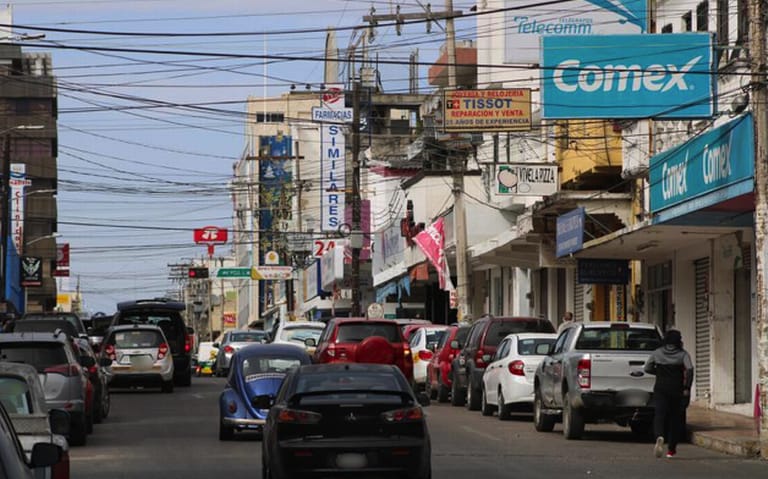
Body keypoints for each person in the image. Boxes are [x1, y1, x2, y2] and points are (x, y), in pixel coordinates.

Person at [643, 329, 694, 458]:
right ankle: (671, 449)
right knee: (675, 419)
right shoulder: (683, 354)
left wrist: (659, 373)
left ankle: (659, 435)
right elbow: (690, 369)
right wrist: (687, 387)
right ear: (679, 341)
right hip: (677, 389)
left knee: (659, 415)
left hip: (661, 388)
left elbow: (647, 367)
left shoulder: (657, 353)